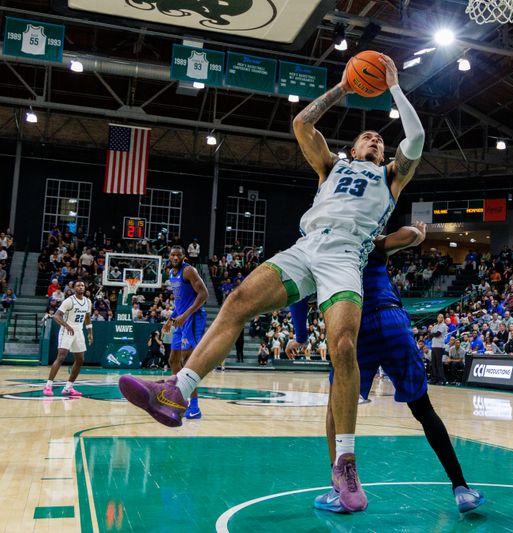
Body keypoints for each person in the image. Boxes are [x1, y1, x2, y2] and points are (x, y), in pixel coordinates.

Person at [118, 54, 423, 514]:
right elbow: (302, 122)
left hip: (345, 256)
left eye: (379, 140)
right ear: (353, 148)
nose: (375, 140)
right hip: (307, 247)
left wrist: (395, 86)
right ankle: (178, 392)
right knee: (238, 301)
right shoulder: (331, 168)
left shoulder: (391, 176)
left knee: (342, 347)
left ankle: (344, 462)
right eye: (367, 137)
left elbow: (416, 137)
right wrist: (342, 87)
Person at [287, 223, 484, 513]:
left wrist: (301, 336)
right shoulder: (367, 238)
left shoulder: (316, 245)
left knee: (335, 410)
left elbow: (299, 295)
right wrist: (417, 233)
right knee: (423, 409)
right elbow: (407, 237)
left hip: (353, 326)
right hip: (393, 323)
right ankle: (461, 489)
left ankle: (340, 489)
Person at [163, 246, 210, 418]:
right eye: (172, 255)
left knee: (187, 360)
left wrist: (185, 315)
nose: (175, 257)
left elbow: (204, 294)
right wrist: (171, 319)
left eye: (178, 255)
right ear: (169, 256)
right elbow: (180, 302)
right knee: (173, 359)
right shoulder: (171, 273)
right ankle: (178, 397)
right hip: (180, 318)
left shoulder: (188, 270)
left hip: (193, 318)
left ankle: (195, 406)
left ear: (184, 257)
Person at [44, 280, 93, 397]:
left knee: (80, 360)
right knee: (61, 356)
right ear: (73, 288)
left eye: (82, 285)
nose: (81, 287)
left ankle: (68, 387)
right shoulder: (69, 301)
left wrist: (90, 333)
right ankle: (48, 386)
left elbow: (87, 318)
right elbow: (56, 316)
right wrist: (66, 326)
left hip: (79, 331)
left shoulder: (88, 302)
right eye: (78, 285)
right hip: (67, 330)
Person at [429, 314, 448, 385]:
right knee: (433, 363)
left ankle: (441, 380)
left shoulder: (443, 326)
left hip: (440, 346)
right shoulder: (435, 326)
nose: (441, 318)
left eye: (442, 317)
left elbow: (437, 334)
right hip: (433, 346)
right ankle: (434, 379)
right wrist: (432, 333)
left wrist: (432, 334)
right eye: (439, 317)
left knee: (439, 364)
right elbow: (430, 334)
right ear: (437, 318)